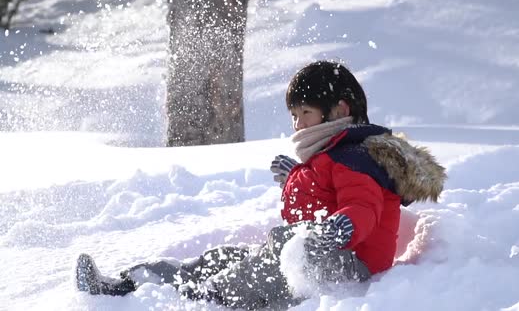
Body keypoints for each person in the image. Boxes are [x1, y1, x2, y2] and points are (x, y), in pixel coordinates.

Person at [75, 60, 446, 309]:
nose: (298, 124)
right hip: (318, 255)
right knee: (224, 258)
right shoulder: (326, 156)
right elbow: (315, 205)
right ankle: (129, 283)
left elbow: (362, 207)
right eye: (294, 115)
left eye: (305, 114)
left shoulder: (355, 157)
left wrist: (342, 227)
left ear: (340, 111)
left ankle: (205, 299)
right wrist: (293, 182)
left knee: (287, 248)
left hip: (350, 266)